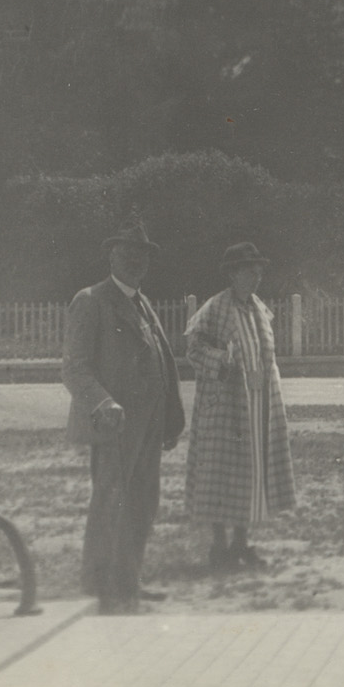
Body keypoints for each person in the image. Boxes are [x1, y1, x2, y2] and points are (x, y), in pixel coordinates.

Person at [62, 219, 186, 614]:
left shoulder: (143, 303)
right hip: (114, 425)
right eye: (128, 253)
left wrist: (169, 419)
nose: (136, 261)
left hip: (149, 424)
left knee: (143, 503)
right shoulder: (91, 300)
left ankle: (128, 581)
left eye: (142, 254)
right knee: (111, 502)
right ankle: (100, 587)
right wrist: (103, 404)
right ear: (111, 256)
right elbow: (74, 368)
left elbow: (162, 362)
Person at [183, 240, 296, 573]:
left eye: (259, 271)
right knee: (221, 474)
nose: (256, 277)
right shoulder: (216, 308)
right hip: (226, 407)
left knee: (252, 471)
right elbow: (194, 349)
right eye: (249, 271)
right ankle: (219, 547)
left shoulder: (259, 309)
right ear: (232, 274)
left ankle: (241, 542)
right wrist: (221, 360)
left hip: (258, 405)